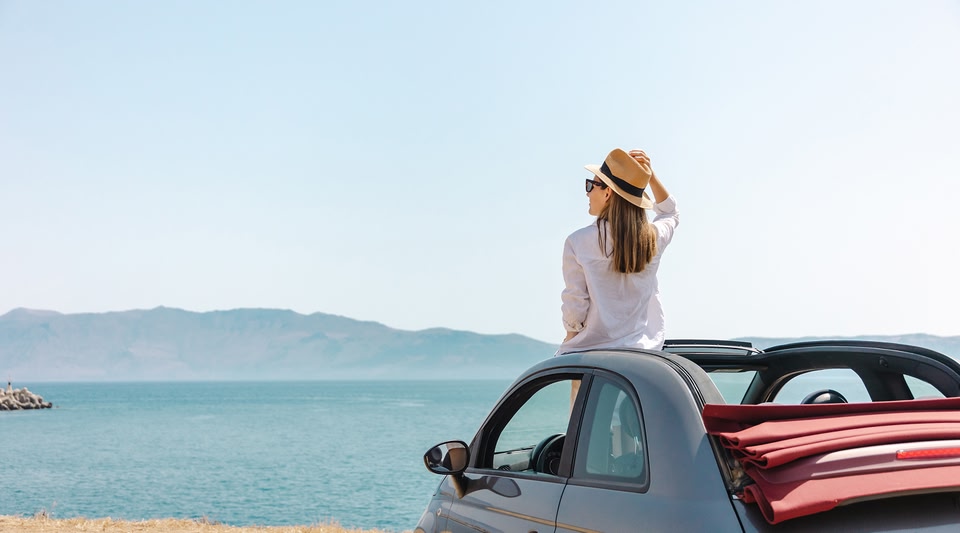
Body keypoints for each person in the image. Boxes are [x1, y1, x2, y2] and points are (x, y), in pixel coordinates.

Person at [558, 148, 679, 356]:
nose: (587, 192)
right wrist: (650, 176)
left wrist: (568, 349)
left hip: (590, 357)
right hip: (641, 354)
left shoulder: (577, 242)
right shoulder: (653, 239)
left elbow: (575, 313)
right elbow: (670, 212)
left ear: (607, 193)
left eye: (591, 185)